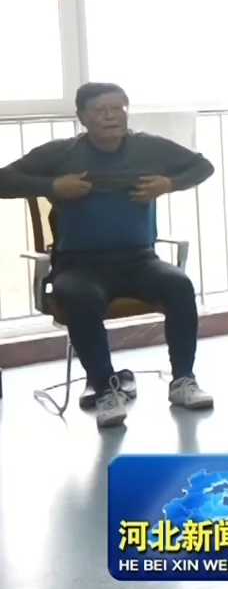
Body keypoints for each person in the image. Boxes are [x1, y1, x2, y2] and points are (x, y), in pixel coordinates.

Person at [0, 83, 216, 429]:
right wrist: (53, 187)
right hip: (79, 265)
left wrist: (168, 184)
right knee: (78, 295)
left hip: (139, 260)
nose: (111, 116)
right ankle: (104, 389)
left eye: (118, 108)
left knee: (179, 285)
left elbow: (202, 166)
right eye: (100, 110)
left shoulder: (147, 147)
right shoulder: (62, 153)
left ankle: (183, 381)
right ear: (82, 117)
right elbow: (4, 180)